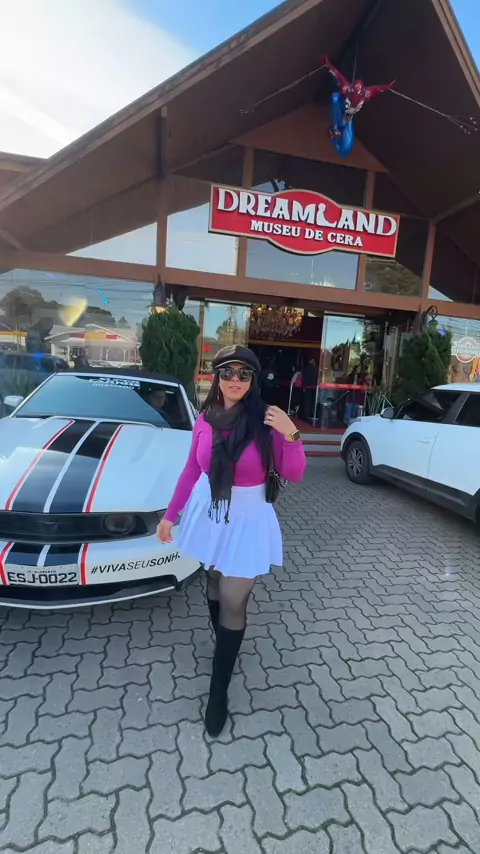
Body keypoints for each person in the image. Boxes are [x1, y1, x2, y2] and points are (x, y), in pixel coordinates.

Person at [157, 344, 306, 737]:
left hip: (248, 517)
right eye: (227, 372)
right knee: (212, 580)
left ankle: (218, 690)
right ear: (217, 377)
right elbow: (191, 469)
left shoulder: (267, 420)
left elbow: (293, 473)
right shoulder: (204, 418)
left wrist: (291, 434)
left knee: (233, 598)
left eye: (243, 374)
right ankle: (224, 644)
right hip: (210, 511)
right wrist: (170, 515)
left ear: (253, 379)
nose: (235, 380)